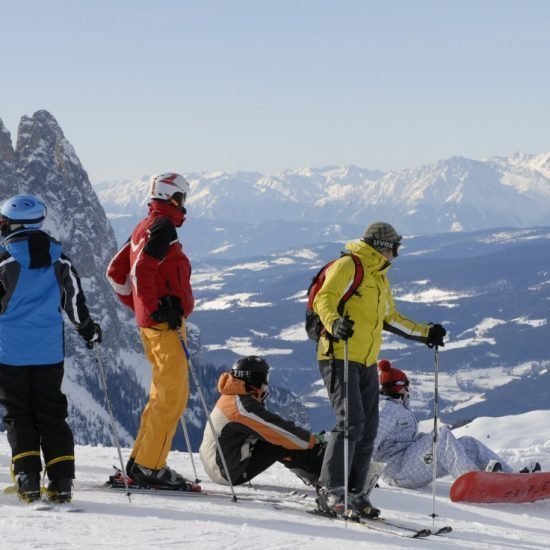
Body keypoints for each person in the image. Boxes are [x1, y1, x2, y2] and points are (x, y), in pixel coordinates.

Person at [312, 221, 447, 518]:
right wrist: (334, 323)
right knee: (350, 422)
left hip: (365, 360)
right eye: (394, 249)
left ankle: (356, 492)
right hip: (338, 354)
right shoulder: (349, 266)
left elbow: (391, 317)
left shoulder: (379, 278)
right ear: (383, 246)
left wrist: (426, 333)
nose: (396, 255)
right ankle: (330, 490)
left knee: (368, 428)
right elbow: (324, 298)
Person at [0, 194, 101, 504]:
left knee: (20, 415)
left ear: (12, 224)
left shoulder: (4, 262)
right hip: (49, 354)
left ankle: (28, 481)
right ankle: (61, 483)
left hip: (9, 354)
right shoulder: (60, 260)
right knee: (52, 414)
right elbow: (74, 304)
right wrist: (88, 331)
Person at [106, 173, 195, 489]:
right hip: (164, 324)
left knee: (163, 393)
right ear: (173, 198)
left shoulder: (144, 227)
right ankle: (149, 467)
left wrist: (141, 307)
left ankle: (141, 460)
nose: (184, 205)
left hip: (155, 323)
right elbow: (142, 268)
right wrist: (156, 307)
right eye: (182, 199)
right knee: (172, 396)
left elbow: (115, 272)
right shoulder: (162, 227)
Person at [372, 359, 540, 488]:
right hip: (397, 471)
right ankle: (474, 482)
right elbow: (371, 440)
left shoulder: (397, 408)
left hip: (406, 462)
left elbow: (403, 442)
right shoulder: (386, 410)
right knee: (442, 437)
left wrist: (424, 440)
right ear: (399, 387)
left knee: (468, 444)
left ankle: (512, 478)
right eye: (408, 385)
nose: (409, 390)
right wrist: (366, 479)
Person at [199, 355, 326, 487]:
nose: (266, 383)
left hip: (219, 465)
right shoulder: (242, 407)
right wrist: (311, 440)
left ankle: (313, 474)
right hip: (226, 471)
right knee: (279, 441)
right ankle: (322, 477)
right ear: (255, 379)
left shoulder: (233, 397)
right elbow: (277, 430)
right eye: (265, 378)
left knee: (278, 439)